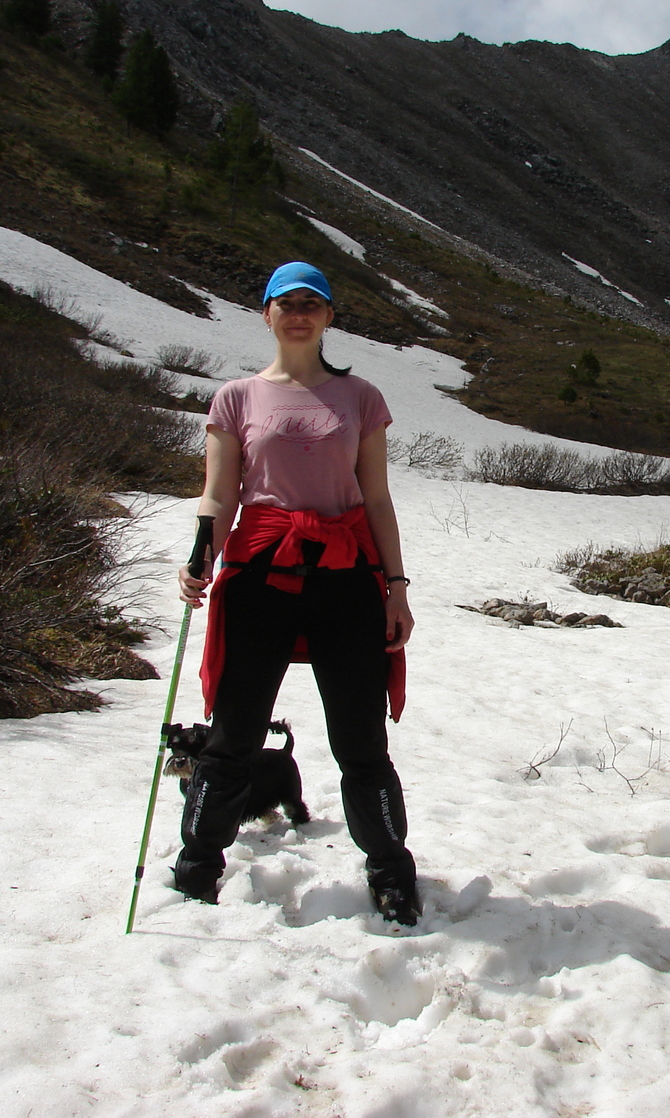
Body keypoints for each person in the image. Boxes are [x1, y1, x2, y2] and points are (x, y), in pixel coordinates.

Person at [173, 261, 419, 924]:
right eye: (287, 303)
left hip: (347, 576)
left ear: (330, 316)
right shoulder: (235, 398)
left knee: (361, 740)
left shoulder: (361, 397)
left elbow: (376, 498)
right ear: (267, 314)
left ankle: (391, 871)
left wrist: (395, 586)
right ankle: (197, 866)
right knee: (233, 733)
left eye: (313, 302)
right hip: (259, 575)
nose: (300, 313)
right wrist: (201, 556)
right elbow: (220, 495)